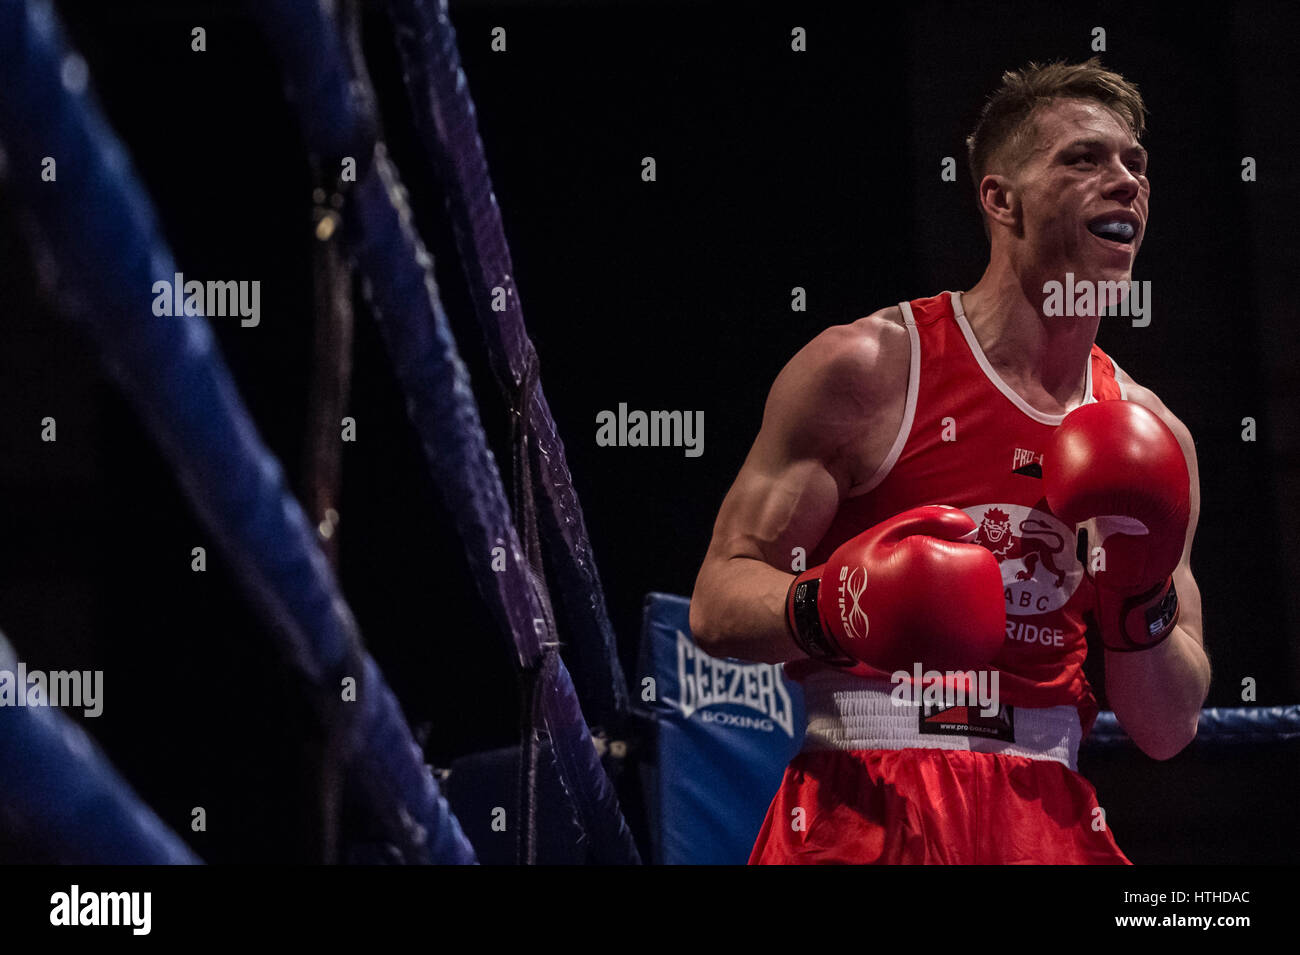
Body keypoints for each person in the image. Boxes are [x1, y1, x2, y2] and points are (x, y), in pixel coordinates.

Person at [688, 58, 1210, 864]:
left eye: (1136, 165)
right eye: (1084, 158)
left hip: (1046, 808)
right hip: (863, 793)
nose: (1124, 181)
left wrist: (1139, 589)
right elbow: (718, 602)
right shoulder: (870, 369)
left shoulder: (1152, 435)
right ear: (1000, 199)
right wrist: (838, 604)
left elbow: (1167, 727)